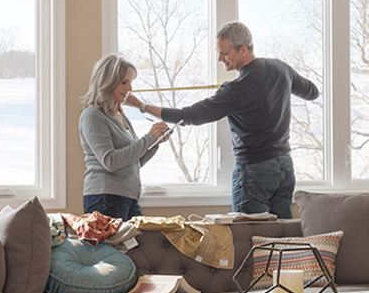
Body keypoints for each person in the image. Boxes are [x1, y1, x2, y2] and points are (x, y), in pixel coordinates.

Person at [126, 21, 319, 219]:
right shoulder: (280, 68)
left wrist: (141, 106)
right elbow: (312, 92)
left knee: (249, 239)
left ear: (243, 50)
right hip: (284, 168)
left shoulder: (236, 89)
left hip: (254, 171)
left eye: (225, 53)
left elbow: (188, 116)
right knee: (280, 242)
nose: (220, 58)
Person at [79, 54, 170, 220]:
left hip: (128, 197)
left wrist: (155, 142)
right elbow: (110, 161)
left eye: (130, 82)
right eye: (124, 82)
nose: (129, 89)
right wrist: (149, 138)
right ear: (107, 82)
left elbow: (133, 163)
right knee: (113, 247)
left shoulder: (120, 114)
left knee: (139, 245)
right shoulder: (92, 115)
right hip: (105, 198)